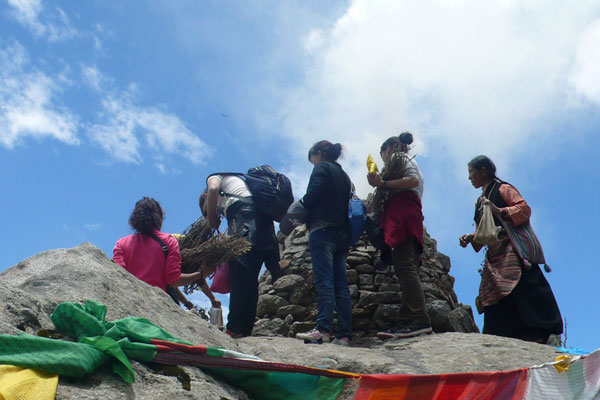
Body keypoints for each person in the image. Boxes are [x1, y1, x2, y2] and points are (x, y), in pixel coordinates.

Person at [459, 155, 563, 343]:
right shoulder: (480, 201)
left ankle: (536, 330)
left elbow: (524, 209)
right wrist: (471, 237)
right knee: (495, 293)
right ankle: (502, 333)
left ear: (483, 171)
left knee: (523, 285)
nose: (469, 178)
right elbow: (484, 231)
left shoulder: (503, 189)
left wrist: (502, 211)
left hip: (511, 249)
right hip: (494, 255)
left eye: (471, 172)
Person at [367, 132, 432, 340]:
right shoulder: (404, 159)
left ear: (387, 149)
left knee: (404, 267)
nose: (383, 158)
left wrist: (382, 184)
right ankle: (406, 320)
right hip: (409, 214)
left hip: (403, 213)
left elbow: (411, 180)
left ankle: (419, 319)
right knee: (406, 267)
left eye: (382, 154)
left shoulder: (399, 158)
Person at [200, 171, 280, 338]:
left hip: (244, 222)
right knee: (250, 279)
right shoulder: (240, 185)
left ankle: (235, 328)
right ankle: (245, 329)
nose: (211, 214)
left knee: (239, 274)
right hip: (264, 225)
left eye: (206, 210)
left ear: (204, 198)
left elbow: (213, 189)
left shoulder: (214, 178)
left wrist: (211, 221)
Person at [295, 140, 353, 346]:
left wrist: (299, 207)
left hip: (322, 230)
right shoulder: (344, 176)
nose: (314, 164)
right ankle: (344, 334)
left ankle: (323, 330)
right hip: (342, 233)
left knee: (324, 281)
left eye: (313, 160)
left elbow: (312, 196)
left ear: (319, 154)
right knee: (341, 284)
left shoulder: (321, 168)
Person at [113, 197, 208, 303]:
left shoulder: (121, 244)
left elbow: (118, 275)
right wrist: (200, 274)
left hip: (130, 301)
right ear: (158, 218)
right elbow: (174, 280)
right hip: (157, 303)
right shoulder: (169, 242)